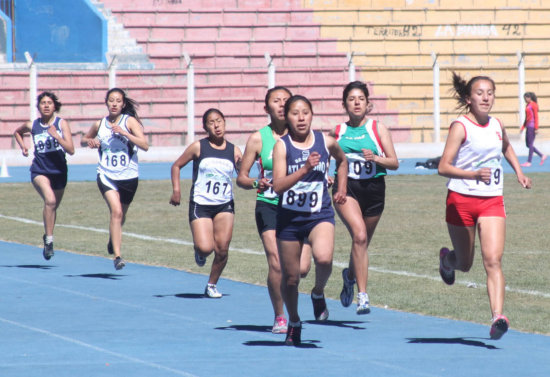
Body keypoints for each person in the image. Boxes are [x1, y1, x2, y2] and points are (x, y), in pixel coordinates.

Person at [438, 72, 531, 340]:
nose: (486, 96)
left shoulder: (496, 124)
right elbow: (443, 167)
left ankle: (497, 317)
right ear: (468, 98)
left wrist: (518, 172)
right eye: (480, 92)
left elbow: (506, 147)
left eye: (490, 92)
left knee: (493, 260)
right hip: (461, 201)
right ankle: (447, 260)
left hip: (492, 200)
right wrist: (472, 175)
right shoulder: (461, 126)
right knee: (465, 263)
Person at [272, 95, 348, 346]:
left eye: (305, 112)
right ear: (287, 117)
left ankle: (317, 292)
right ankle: (294, 321)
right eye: (295, 113)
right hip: (290, 220)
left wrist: (341, 187)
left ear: (312, 115)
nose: (301, 117)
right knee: (292, 278)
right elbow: (279, 186)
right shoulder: (282, 146)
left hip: (319, 214)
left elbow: (342, 160)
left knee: (324, 258)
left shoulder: (325, 141)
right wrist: (304, 170)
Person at [236, 87, 312, 334]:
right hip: (268, 205)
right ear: (266, 107)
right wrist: (257, 182)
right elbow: (242, 178)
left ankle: (290, 309)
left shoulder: (302, 135)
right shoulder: (258, 138)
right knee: (276, 262)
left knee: (300, 269)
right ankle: (280, 315)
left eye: (285, 101)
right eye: (275, 101)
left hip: (298, 206)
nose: (281, 105)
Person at [330, 81, 399, 315]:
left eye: (361, 98)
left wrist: (376, 158)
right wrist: (327, 177)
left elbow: (394, 162)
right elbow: (322, 158)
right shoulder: (337, 132)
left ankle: (349, 275)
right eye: (351, 99)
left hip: (374, 190)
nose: (356, 102)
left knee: (362, 243)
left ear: (368, 104)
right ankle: (363, 295)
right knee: (359, 236)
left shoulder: (378, 129)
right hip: (347, 189)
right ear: (344, 104)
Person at [170, 108, 242, 298]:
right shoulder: (198, 147)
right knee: (205, 247)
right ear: (205, 127)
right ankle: (199, 252)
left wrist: (242, 165)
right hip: (201, 203)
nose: (216, 125)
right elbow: (176, 166)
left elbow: (243, 175)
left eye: (219, 120)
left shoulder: (234, 150)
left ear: (225, 122)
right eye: (211, 122)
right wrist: (177, 190)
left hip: (224, 204)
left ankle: (212, 284)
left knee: (223, 249)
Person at [81, 88, 149, 270]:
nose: (114, 104)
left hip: (129, 177)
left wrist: (125, 133)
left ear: (123, 104)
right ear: (106, 103)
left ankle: (113, 237)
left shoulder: (130, 122)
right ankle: (117, 256)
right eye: (111, 100)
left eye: (118, 101)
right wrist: (90, 141)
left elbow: (145, 145)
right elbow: (83, 139)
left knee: (121, 215)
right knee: (116, 212)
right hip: (106, 175)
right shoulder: (100, 124)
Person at [13, 91, 75, 260]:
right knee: (50, 201)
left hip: (59, 172)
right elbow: (17, 132)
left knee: (53, 207)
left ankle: (47, 234)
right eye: (43, 103)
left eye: (49, 103)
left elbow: (71, 150)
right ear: (38, 107)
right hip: (39, 170)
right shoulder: (33, 125)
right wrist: (23, 146)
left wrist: (57, 136)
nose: (46, 105)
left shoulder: (61, 124)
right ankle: (49, 241)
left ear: (55, 106)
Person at [520, 92, 546, 167]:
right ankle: (542, 155)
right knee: (528, 144)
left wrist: (536, 128)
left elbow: (536, 116)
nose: (524, 99)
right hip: (528, 126)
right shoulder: (527, 105)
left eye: (525, 98)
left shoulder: (533, 105)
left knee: (530, 144)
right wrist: (523, 127)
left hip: (532, 126)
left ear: (529, 98)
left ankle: (529, 162)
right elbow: (526, 118)